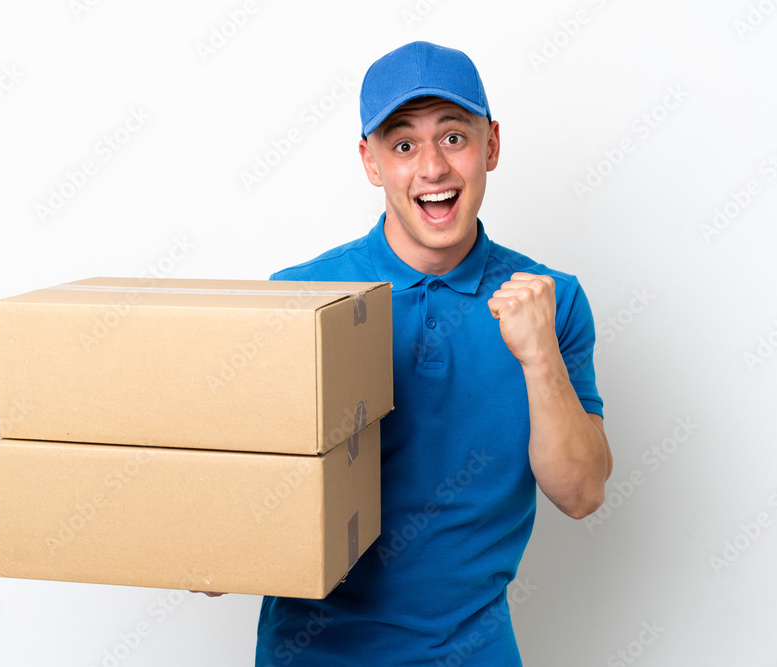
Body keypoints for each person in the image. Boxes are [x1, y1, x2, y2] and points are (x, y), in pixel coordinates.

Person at [248, 40, 613, 666]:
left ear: (491, 145)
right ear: (370, 161)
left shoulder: (553, 302)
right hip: (312, 653)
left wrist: (539, 357)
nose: (432, 169)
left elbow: (581, 493)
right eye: (403, 144)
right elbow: (246, 486)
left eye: (453, 137)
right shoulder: (301, 299)